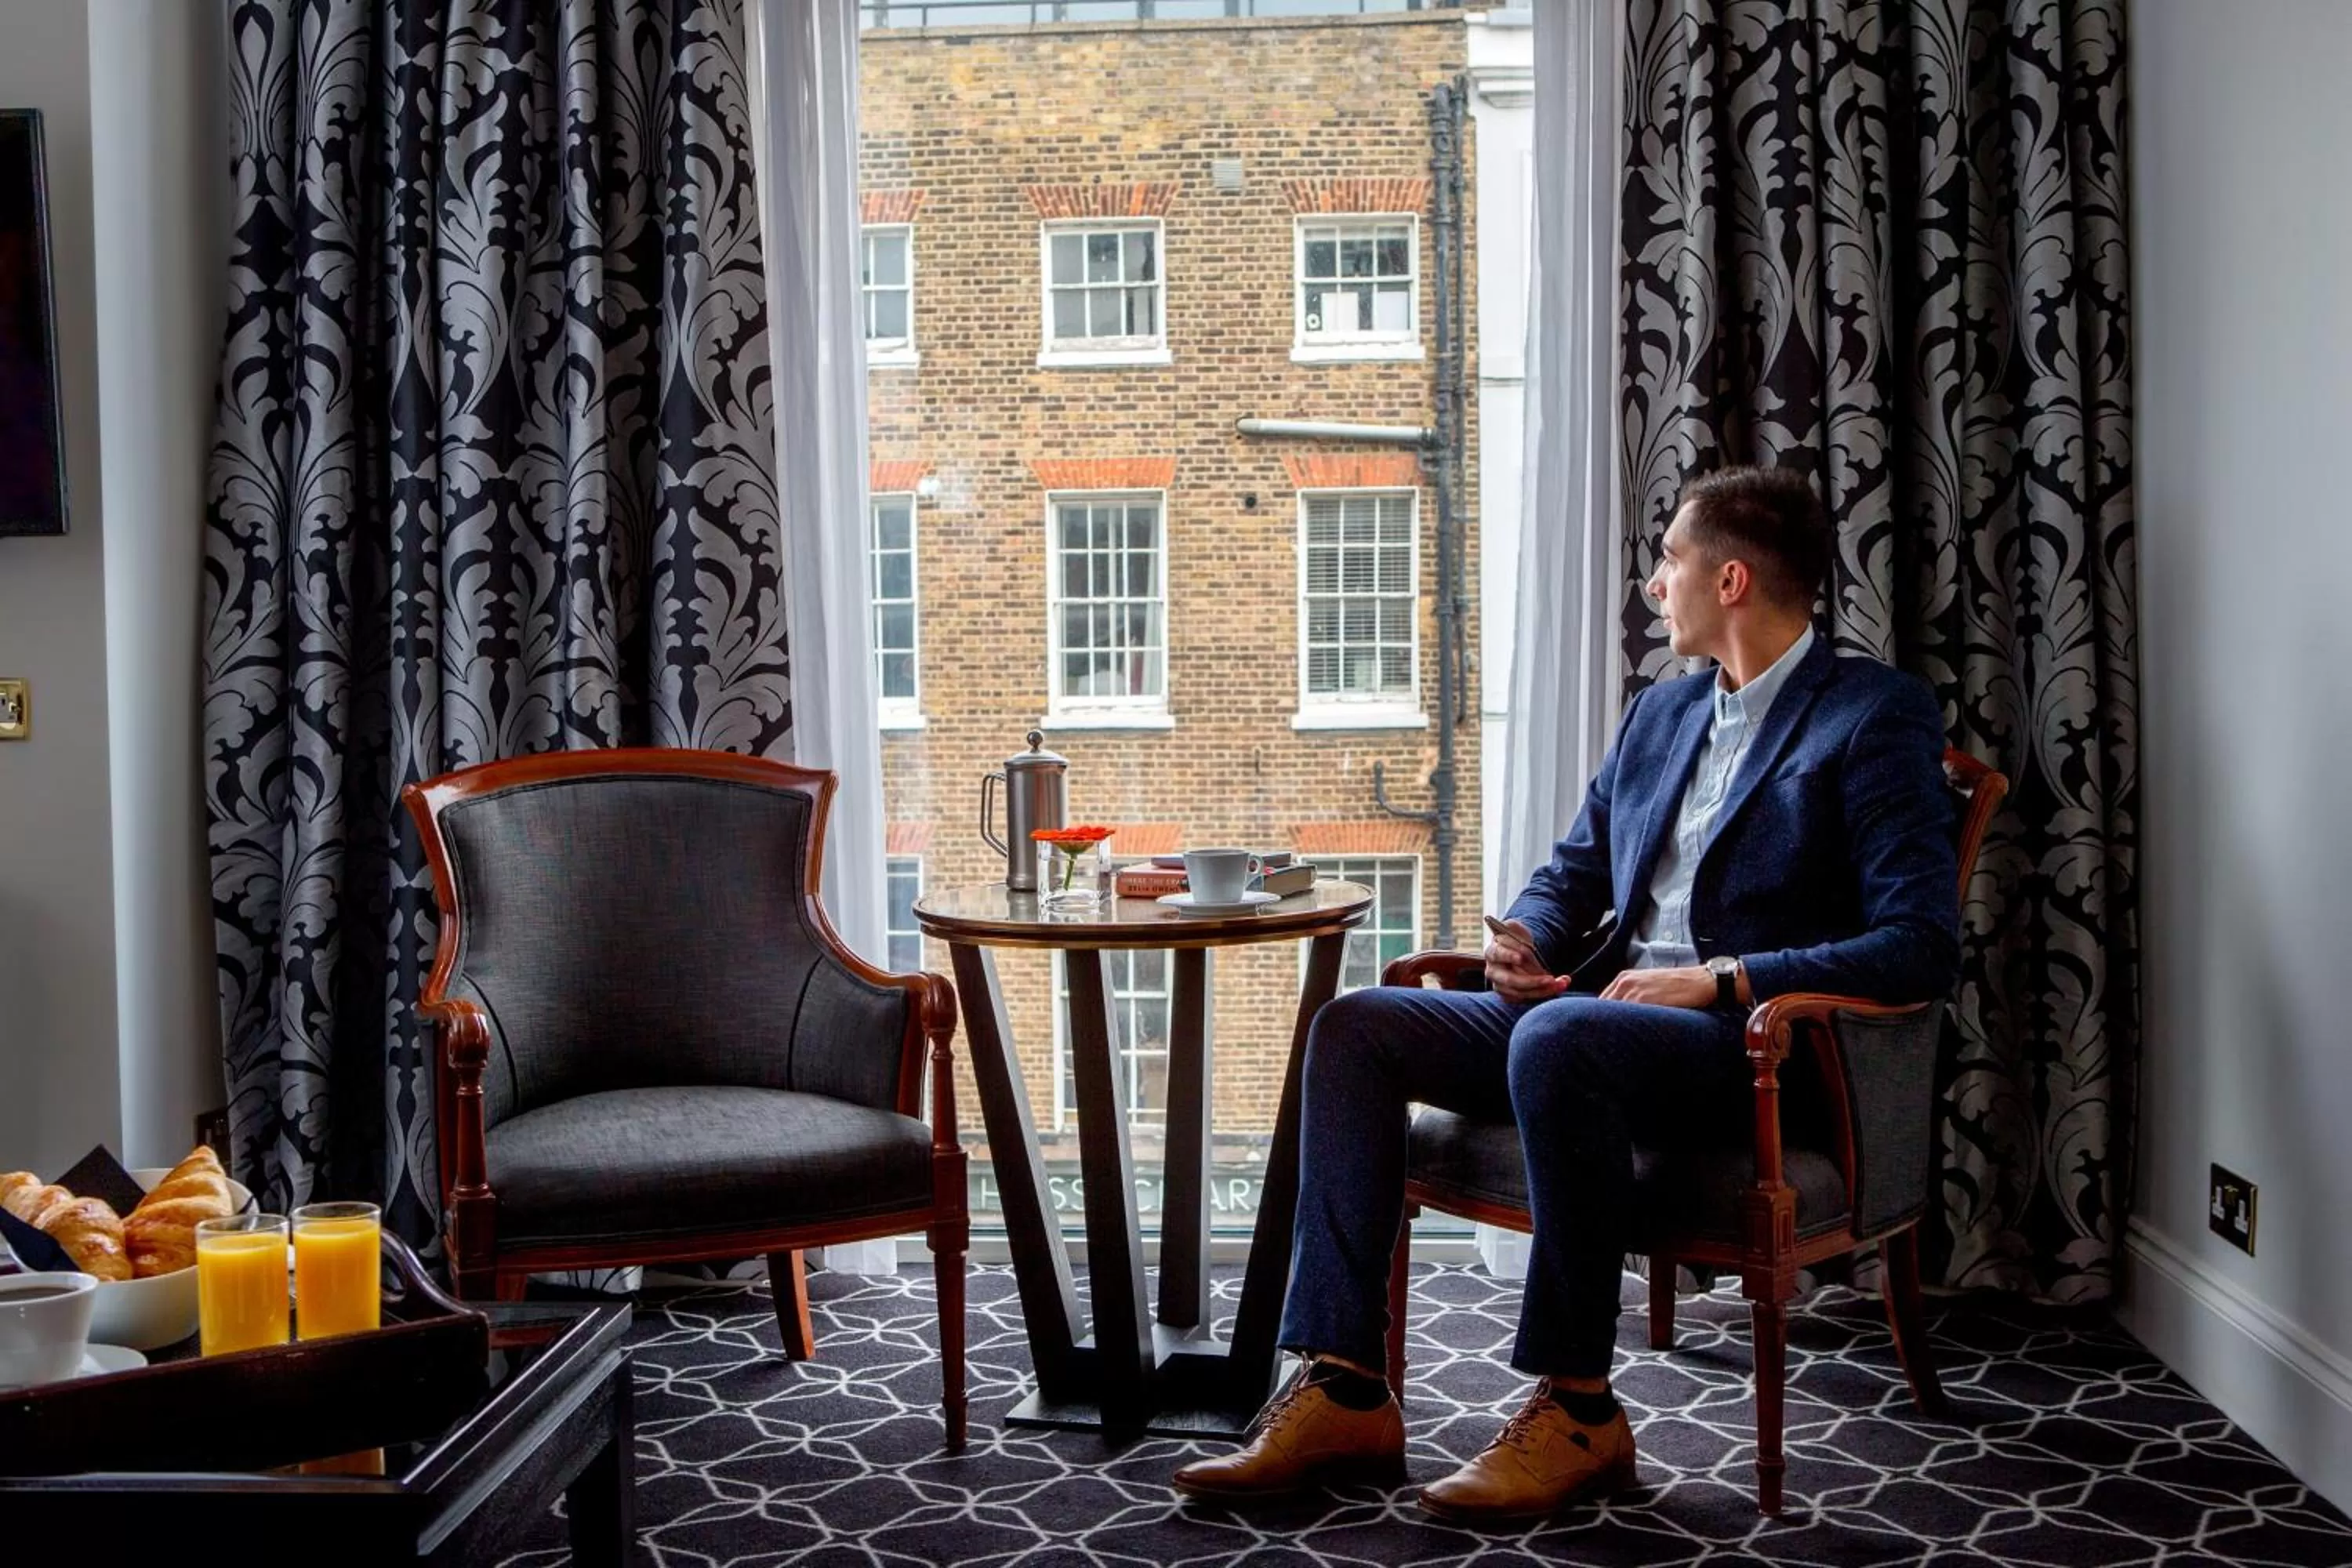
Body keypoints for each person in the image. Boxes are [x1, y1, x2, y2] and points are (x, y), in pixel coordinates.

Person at [1171, 464, 1959, 1523]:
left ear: (1730, 579)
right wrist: (1532, 931)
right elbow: (1576, 868)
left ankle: (1579, 1411)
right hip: (1602, 1026)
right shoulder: (1663, 717)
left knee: (1561, 1039)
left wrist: (1719, 980)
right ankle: (1344, 1387)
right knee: (1357, 1026)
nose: (1652, 585)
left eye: (1669, 561)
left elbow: (1917, 946)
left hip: (1752, 1053)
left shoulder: (1872, 717)